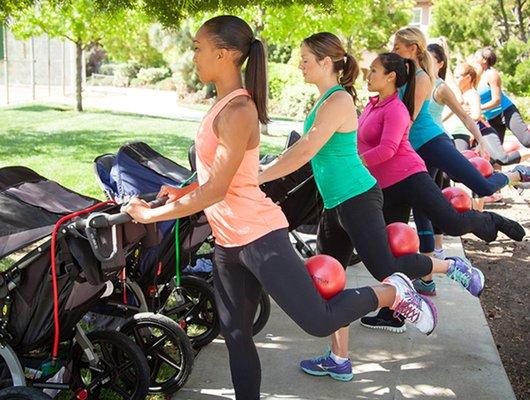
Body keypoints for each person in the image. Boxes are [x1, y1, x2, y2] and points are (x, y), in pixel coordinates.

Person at [122, 17, 437, 399]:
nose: (194, 56)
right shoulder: (221, 105)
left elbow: (218, 190)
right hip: (228, 240)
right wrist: (182, 189)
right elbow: (221, 172)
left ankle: (391, 294)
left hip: (259, 235)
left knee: (318, 321)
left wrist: (151, 215)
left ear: (223, 54)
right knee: (236, 335)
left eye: (197, 48)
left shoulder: (239, 110)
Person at [258, 32, 479, 381]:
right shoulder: (323, 101)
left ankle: (448, 267)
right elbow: (305, 152)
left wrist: (260, 175)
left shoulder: (340, 101)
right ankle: (339, 358)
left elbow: (306, 150)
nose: (299, 64)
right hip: (334, 203)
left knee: (384, 266)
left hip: (358, 196)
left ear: (326, 62)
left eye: (305, 59)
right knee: (329, 280)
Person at [360, 27, 527, 332]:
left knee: (452, 221)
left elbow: (397, 135)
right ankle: (395, 311)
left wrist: (359, 163)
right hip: (389, 181)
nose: (367, 75)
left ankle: (487, 218)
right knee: (394, 249)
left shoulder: (415, 86)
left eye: (373, 70)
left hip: (411, 168)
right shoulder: (373, 103)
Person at [476, 46, 530, 148]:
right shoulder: (477, 76)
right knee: (494, 155)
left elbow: (496, 100)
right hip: (492, 118)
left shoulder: (491, 74)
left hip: (506, 111)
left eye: (476, 56)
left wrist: (478, 108)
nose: (474, 59)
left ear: (484, 60)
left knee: (527, 141)